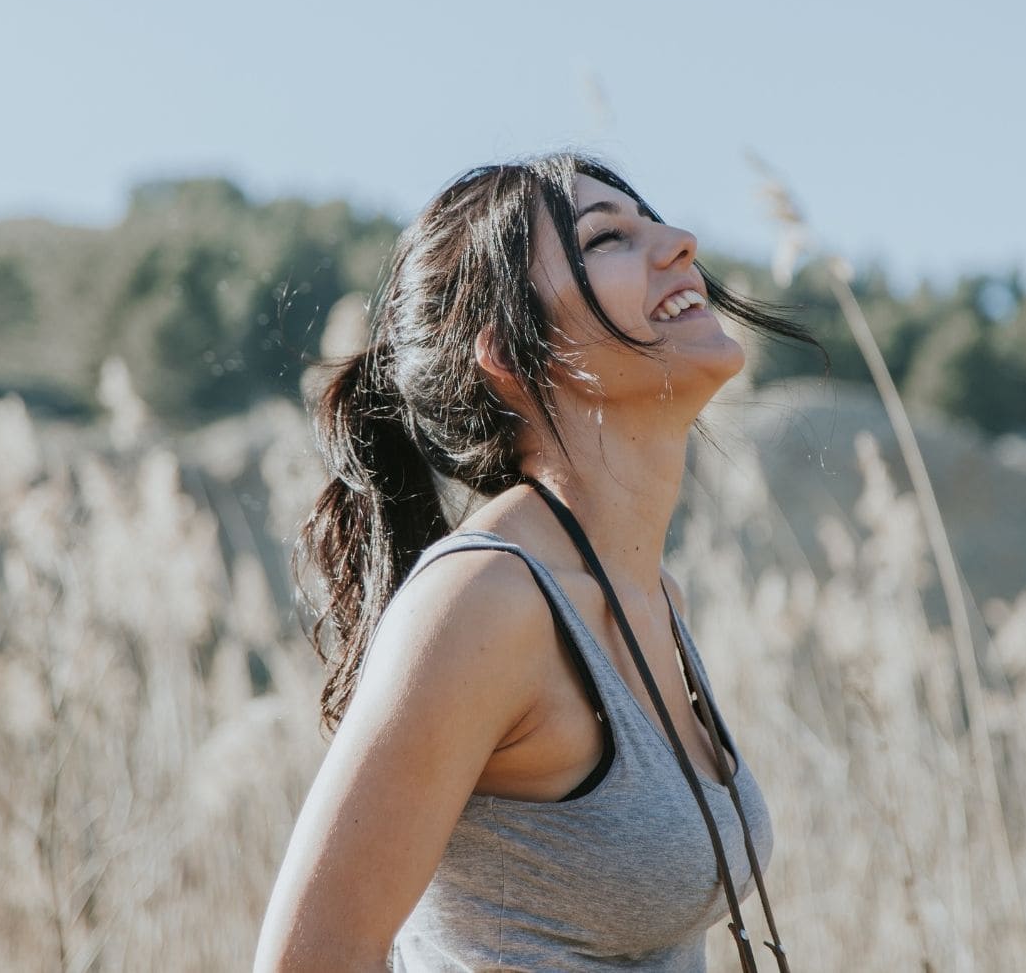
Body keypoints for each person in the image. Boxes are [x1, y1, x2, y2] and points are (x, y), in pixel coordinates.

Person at [254, 153, 816, 972]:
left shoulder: (656, 598)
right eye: (608, 239)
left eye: (653, 221)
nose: (680, 243)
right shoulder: (487, 599)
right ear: (511, 357)